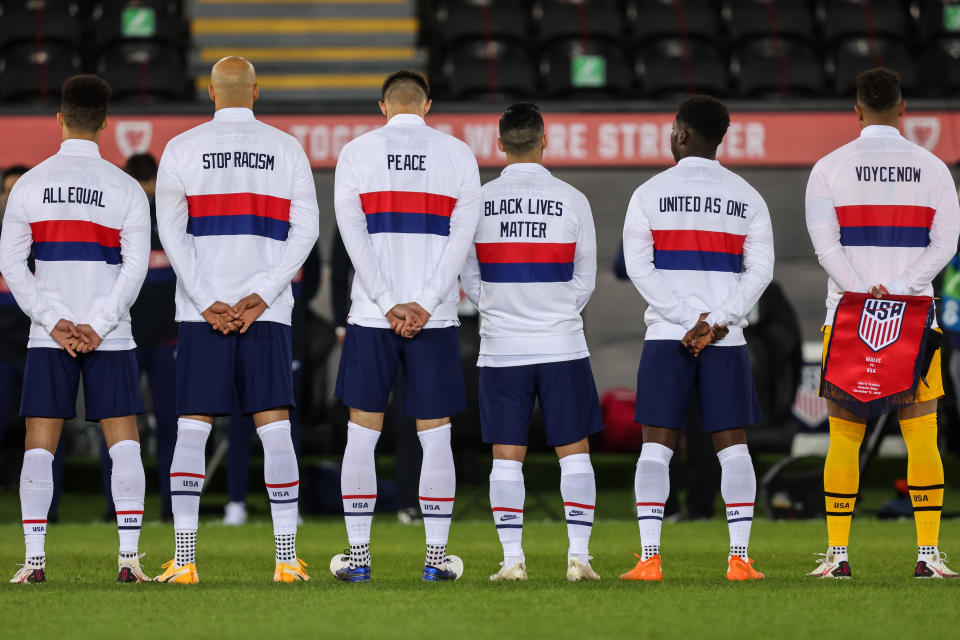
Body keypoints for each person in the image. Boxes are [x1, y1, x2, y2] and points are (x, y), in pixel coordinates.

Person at [154, 56, 320, 584]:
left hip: (202, 314)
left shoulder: (181, 148)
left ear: (209, 91)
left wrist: (205, 299)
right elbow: (306, 233)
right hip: (266, 313)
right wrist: (263, 293)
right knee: (275, 430)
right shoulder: (286, 146)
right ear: (256, 91)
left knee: (190, 428)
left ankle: (184, 560)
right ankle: (286, 559)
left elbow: (172, 236)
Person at [805, 68, 960, 579]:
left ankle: (838, 556)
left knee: (844, 437)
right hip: (914, 317)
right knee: (921, 437)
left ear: (857, 110)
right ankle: (928, 556)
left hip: (849, 316)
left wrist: (861, 287)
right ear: (903, 109)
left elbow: (825, 246)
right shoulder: (935, 169)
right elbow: (946, 246)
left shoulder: (829, 167)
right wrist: (903, 285)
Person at [0, 75, 151, 584]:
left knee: (39, 444)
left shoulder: (27, 185)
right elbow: (136, 269)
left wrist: (55, 321)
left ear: (59, 119)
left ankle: (34, 562)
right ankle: (129, 561)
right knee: (124, 443)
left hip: (51, 335)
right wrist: (99, 324)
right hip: (111, 334)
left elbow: (12, 266)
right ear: (105, 124)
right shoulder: (126, 187)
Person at [331, 69, 481, 582]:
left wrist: (389, 301)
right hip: (434, 318)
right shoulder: (457, 154)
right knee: (435, 437)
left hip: (372, 315)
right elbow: (462, 242)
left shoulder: (357, 153)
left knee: (361, 433)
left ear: (382, 106)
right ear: (427, 105)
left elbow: (354, 241)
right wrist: (423, 302)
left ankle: (359, 559)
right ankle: (436, 561)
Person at [619, 95, 774, 582]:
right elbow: (761, 272)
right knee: (734, 449)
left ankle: (649, 559)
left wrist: (687, 319)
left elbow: (639, 269)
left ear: (682, 135)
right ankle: (739, 559)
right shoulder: (748, 196)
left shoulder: (648, 193)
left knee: (656, 449)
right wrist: (716, 321)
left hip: (668, 334)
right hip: (723, 340)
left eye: (672, 130)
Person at [460, 103, 604, 582]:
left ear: (499, 144)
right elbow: (586, 276)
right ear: (545, 140)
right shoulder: (574, 198)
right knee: (574, 450)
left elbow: (469, 277)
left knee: (507, 454)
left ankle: (512, 560)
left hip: (503, 345)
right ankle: (579, 559)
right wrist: (558, 309)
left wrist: (500, 307)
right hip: (562, 342)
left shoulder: (479, 200)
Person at [97, 153, 178, 523]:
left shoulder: (167, 217)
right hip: (140, 337)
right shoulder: (130, 217)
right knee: (132, 423)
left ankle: (148, 509)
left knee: (129, 423)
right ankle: (140, 508)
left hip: (145, 337)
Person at [222, 245, 320, 526]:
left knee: (286, 425)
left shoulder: (299, 232)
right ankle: (236, 502)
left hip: (287, 335)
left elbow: (311, 283)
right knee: (239, 423)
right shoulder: (248, 233)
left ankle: (289, 503)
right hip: (240, 331)